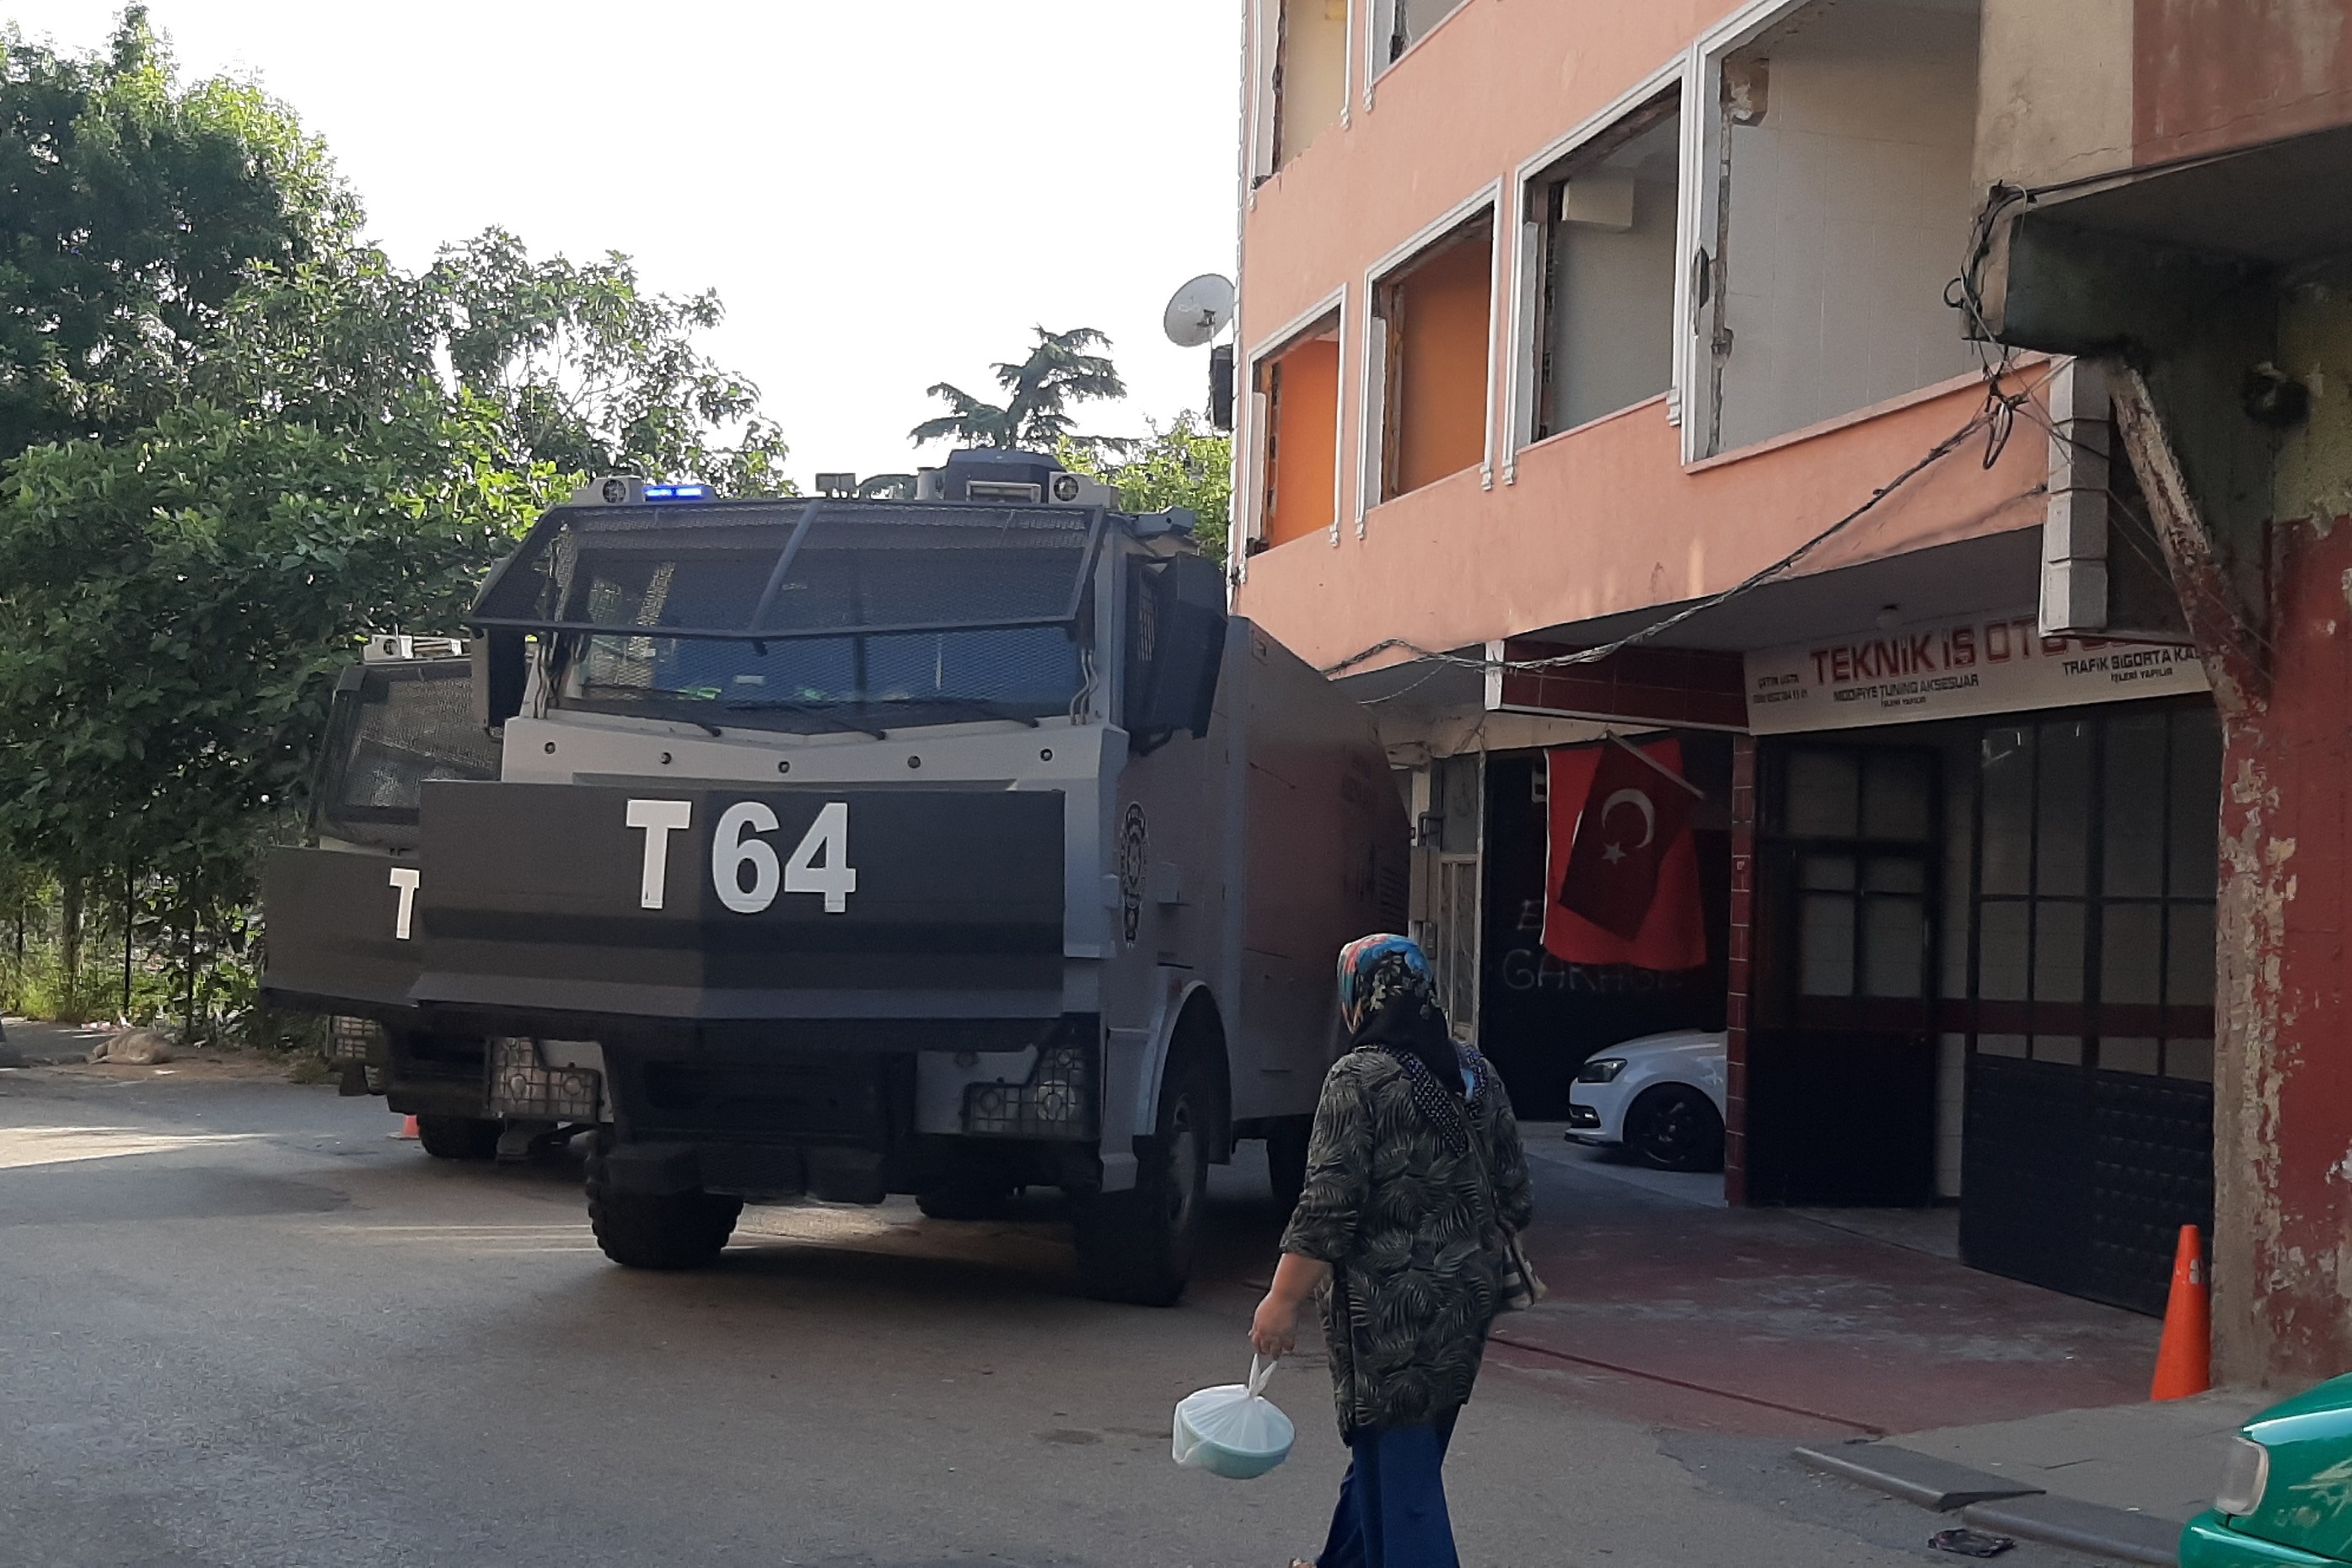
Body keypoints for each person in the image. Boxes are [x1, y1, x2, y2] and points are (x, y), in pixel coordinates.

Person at [1250, 933, 1533, 1568]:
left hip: (1388, 1321)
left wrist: (1282, 1299)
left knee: (1404, 1494)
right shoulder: (1477, 1073)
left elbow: (1328, 1206)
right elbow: (1515, 1194)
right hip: (1465, 1308)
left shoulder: (1359, 1077)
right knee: (1395, 1461)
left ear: (1359, 997)